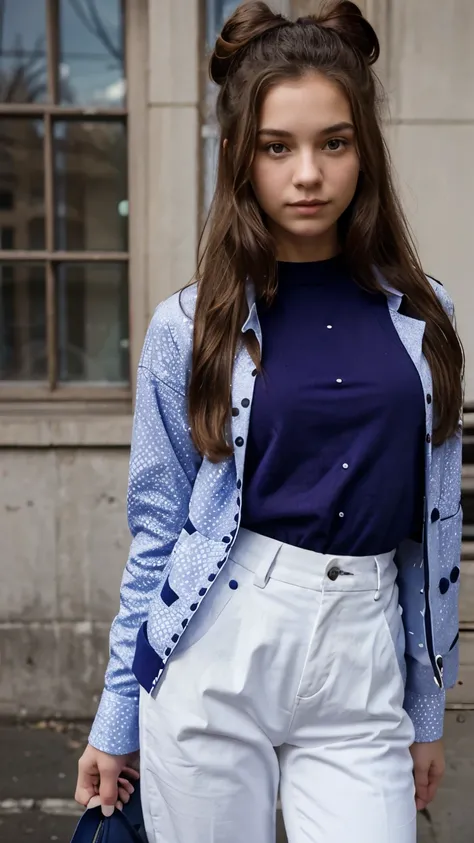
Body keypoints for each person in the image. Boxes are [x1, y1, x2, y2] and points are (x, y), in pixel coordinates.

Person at [74, 2, 465, 841]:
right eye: (276, 146)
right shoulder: (187, 326)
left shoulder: (426, 321)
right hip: (217, 643)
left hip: (363, 659)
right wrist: (115, 717)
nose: (308, 174)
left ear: (365, 149)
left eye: (334, 141)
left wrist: (428, 707)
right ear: (238, 156)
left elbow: (431, 531)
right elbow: (156, 531)